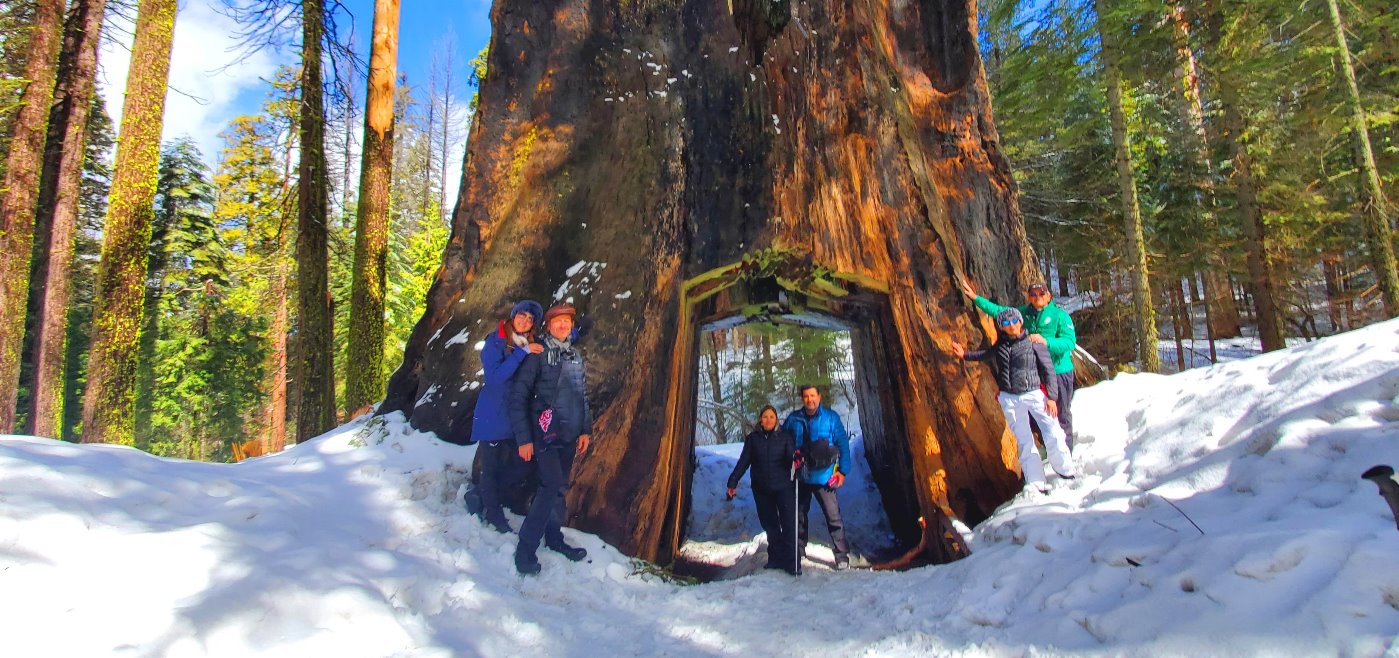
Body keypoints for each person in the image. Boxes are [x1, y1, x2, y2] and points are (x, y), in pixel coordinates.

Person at [950, 307, 1077, 494]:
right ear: (1001, 327)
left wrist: (1052, 397)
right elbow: (985, 355)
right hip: (1010, 397)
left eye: (1014, 321)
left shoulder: (1034, 342)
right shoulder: (1000, 346)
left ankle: (1066, 471)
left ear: (1020, 322)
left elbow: (1049, 370)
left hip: (1033, 393)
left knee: (1052, 431)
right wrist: (964, 355)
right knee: (1024, 439)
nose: (1012, 326)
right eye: (1006, 323)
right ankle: (1035, 481)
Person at [508, 303, 592, 575]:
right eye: (558, 321)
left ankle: (554, 538)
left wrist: (585, 429)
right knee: (550, 485)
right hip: (543, 434)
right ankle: (525, 549)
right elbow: (519, 396)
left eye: (567, 321)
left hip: (569, 434)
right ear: (548, 325)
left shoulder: (574, 355)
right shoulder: (538, 354)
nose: (563, 325)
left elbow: (581, 396)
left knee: (557, 488)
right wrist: (524, 439)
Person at [960, 279, 1079, 449]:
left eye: (1041, 294)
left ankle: (1066, 452)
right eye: (1033, 294)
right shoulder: (1022, 314)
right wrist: (976, 299)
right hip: (1035, 374)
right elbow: (1000, 312)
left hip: (1059, 371)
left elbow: (1069, 342)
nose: (1037, 297)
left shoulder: (1060, 316)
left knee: (1062, 413)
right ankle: (1047, 450)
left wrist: (1046, 341)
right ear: (1029, 297)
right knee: (1038, 415)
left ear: (1048, 296)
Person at [469, 299, 544, 534]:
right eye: (521, 315)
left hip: (515, 418)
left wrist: (572, 331)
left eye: (530, 319)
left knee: (521, 466)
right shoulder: (496, 342)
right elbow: (495, 377)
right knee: (490, 468)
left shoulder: (530, 344)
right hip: (493, 414)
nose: (525, 321)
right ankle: (494, 516)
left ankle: (482, 494)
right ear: (513, 317)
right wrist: (521, 353)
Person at [782, 385, 852, 571]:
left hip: (824, 477)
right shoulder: (793, 419)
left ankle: (841, 554)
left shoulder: (830, 418)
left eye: (813, 395)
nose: (810, 399)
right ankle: (799, 550)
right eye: (806, 396)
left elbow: (842, 443)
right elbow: (782, 441)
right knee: (799, 516)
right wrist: (790, 457)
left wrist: (842, 471)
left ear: (819, 397)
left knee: (833, 516)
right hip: (801, 476)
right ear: (802, 398)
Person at [726, 406, 800, 575]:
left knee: (789, 524)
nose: (768, 420)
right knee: (771, 525)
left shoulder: (785, 437)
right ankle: (775, 558)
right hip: (762, 489)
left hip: (783, 488)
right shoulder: (753, 439)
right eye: (765, 417)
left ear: (776, 420)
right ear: (760, 419)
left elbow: (791, 457)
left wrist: (796, 460)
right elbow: (744, 462)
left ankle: (793, 561)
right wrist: (733, 482)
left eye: (772, 417)